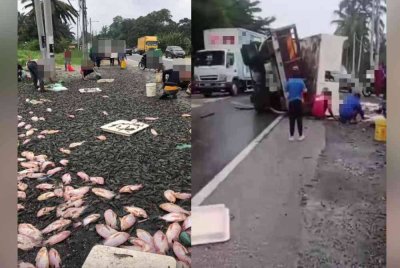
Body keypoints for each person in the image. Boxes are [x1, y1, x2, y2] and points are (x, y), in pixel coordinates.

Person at [285, 66, 307, 141]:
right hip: (298, 102)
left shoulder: (289, 81)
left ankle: (291, 136)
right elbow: (305, 91)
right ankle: (300, 136)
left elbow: (287, 93)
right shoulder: (301, 81)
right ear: (298, 72)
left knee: (291, 119)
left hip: (291, 102)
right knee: (299, 119)